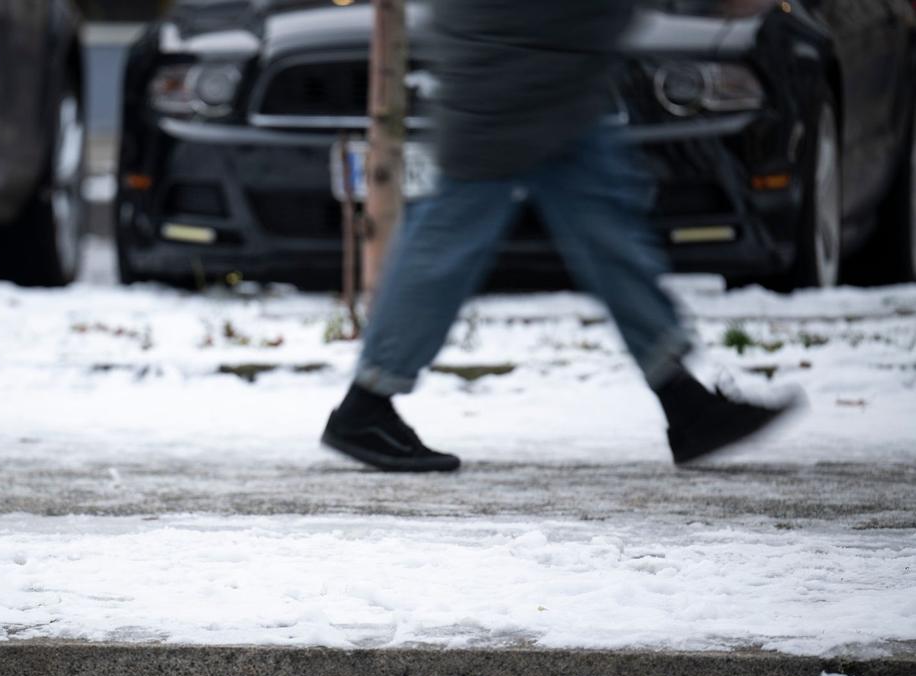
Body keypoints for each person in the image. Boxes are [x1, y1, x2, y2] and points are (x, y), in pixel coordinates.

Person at [322, 0, 798, 472]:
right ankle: (368, 399)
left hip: (546, 56)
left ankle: (682, 397)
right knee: (458, 232)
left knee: (600, 227)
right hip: (515, 58)